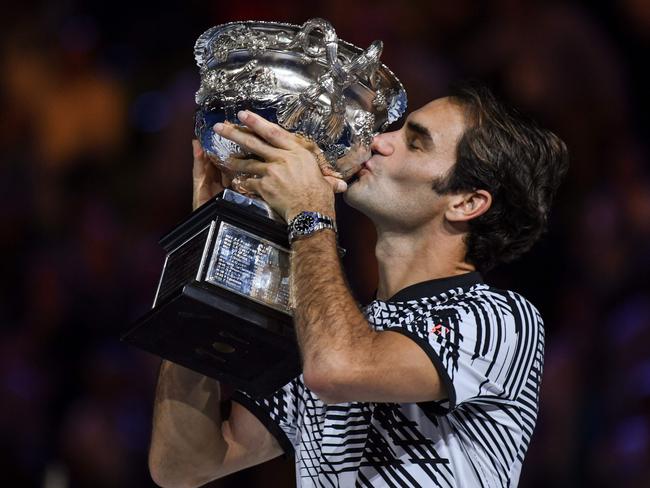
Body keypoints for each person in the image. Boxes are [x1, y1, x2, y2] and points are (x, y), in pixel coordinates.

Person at [148, 83, 569, 488]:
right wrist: (210, 237)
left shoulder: (502, 319)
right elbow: (183, 466)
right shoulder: (327, 329)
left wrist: (310, 212)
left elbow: (337, 368)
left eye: (415, 142)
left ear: (466, 202)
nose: (381, 140)